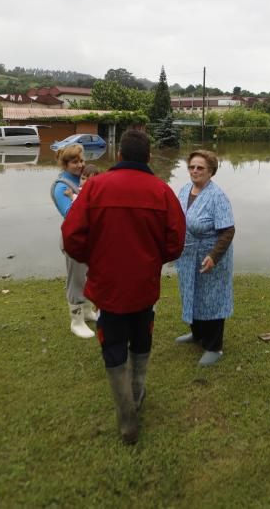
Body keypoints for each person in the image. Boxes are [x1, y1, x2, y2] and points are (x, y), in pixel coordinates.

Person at [62, 129, 186, 444]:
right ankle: (137, 395)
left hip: (107, 288)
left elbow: (71, 236)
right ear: (148, 157)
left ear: (119, 155)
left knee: (113, 344)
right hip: (144, 288)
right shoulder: (162, 191)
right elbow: (176, 242)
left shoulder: (95, 187)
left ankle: (126, 417)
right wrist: (151, 261)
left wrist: (95, 260)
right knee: (141, 340)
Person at [175, 150, 235, 367]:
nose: (195, 171)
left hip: (211, 256)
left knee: (212, 299)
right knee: (191, 293)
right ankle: (197, 334)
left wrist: (213, 256)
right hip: (187, 255)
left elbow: (228, 231)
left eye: (200, 167)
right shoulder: (183, 190)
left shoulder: (217, 196)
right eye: (192, 167)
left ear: (211, 171)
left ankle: (214, 346)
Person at [51, 144, 97, 338]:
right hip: (73, 240)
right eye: (75, 162)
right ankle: (76, 321)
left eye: (81, 160)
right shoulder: (61, 186)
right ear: (65, 164)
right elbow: (71, 215)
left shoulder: (82, 179)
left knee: (86, 277)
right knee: (75, 279)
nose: (80, 165)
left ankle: (87, 312)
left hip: (88, 239)